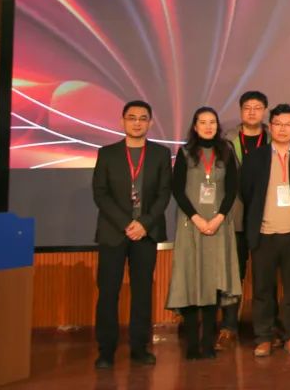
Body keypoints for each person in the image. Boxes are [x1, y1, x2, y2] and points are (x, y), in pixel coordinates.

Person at [91, 100, 172, 369]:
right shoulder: (107, 153)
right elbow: (100, 193)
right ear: (122, 121)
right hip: (113, 232)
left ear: (150, 123)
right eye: (132, 117)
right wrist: (127, 223)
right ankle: (106, 350)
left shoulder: (161, 154)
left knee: (142, 292)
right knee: (108, 292)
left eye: (143, 118)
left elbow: (164, 194)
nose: (137, 122)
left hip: (146, 233)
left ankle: (140, 348)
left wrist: (144, 224)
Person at [241, 103, 290, 357]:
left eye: (289, 124)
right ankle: (264, 336)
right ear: (270, 126)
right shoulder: (255, 157)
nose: (283, 129)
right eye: (278, 124)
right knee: (262, 290)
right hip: (264, 234)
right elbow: (247, 192)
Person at [167, 107, 241, 359]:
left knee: (212, 283)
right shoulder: (185, 153)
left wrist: (218, 218)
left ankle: (208, 343)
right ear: (195, 126)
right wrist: (197, 218)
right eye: (203, 122)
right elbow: (177, 190)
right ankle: (191, 345)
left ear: (217, 126)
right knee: (190, 280)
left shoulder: (226, 152)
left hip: (219, 226)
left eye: (212, 122)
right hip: (191, 225)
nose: (208, 126)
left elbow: (232, 189)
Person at [217, 89, 269, 349]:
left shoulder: (273, 138)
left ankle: (267, 327)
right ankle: (229, 326)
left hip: (266, 216)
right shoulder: (226, 141)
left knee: (265, 274)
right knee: (232, 272)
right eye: (247, 107)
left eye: (257, 107)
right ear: (240, 111)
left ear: (265, 111)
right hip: (235, 215)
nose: (252, 112)